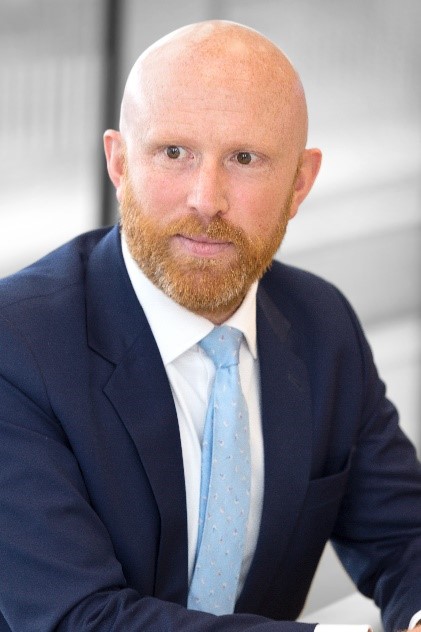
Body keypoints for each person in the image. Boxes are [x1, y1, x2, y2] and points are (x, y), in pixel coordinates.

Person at [0, 19, 420, 632]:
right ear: (119, 162)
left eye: (245, 159)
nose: (206, 199)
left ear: (300, 183)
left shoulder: (322, 324)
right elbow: (82, 619)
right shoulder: (18, 346)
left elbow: (405, 535)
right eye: (174, 153)